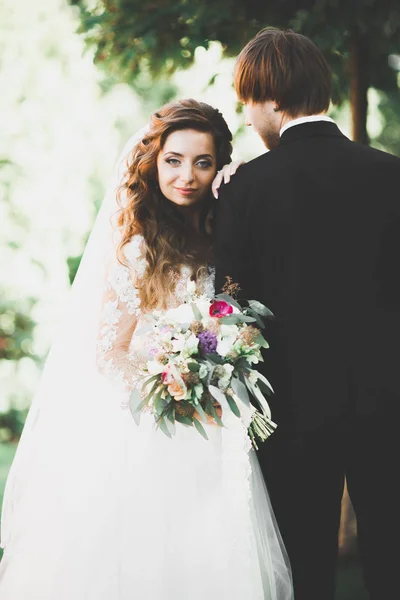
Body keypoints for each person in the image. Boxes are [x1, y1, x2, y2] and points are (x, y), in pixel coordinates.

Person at [0, 98, 293, 600]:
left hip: (215, 430)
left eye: (203, 162)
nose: (187, 175)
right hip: (148, 426)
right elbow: (110, 351)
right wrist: (170, 382)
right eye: (173, 160)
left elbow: (232, 319)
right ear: (153, 163)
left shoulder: (225, 236)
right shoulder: (136, 246)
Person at [213, 27, 400, 600]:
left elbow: (229, 304)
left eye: (246, 102)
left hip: (290, 411)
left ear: (270, 97)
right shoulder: (391, 173)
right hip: (388, 402)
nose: (245, 117)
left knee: (304, 568)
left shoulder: (244, 188)